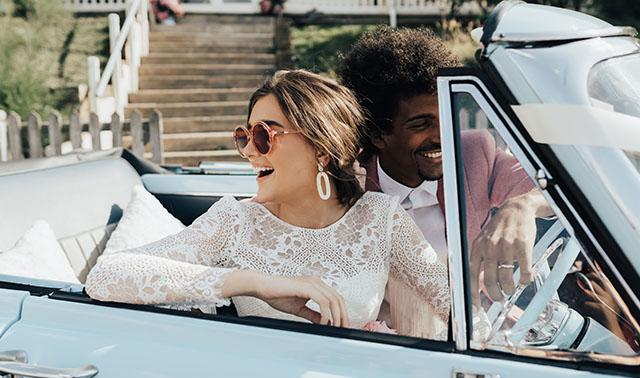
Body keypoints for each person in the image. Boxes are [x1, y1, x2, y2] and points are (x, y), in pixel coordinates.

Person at [85, 70, 450, 340]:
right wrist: (256, 284)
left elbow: (450, 304)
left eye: (264, 136)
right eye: (244, 136)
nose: (248, 152)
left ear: (322, 148)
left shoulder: (380, 217)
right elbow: (106, 277)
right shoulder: (235, 221)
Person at [340, 26, 552, 313]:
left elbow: (553, 187)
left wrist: (523, 205)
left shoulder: (474, 152)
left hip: (476, 323)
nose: (442, 136)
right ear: (378, 134)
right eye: (421, 124)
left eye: (445, 117)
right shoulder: (346, 182)